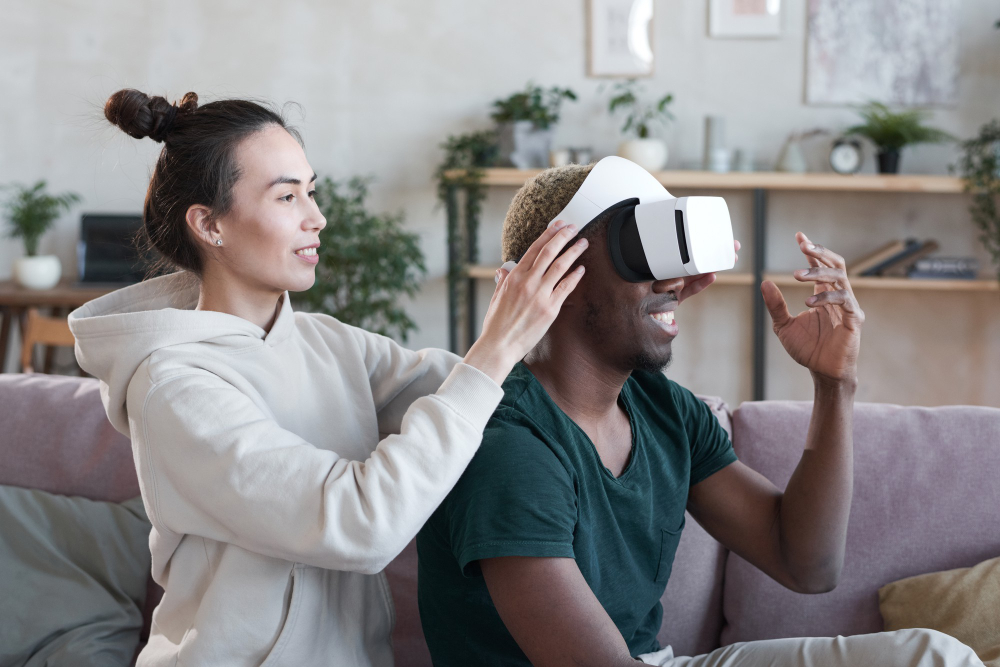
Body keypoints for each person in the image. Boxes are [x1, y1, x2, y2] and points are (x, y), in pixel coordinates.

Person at [69, 89, 591, 666]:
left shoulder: (329, 342)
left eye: (310, 191)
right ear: (209, 224)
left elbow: (480, 393)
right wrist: (496, 348)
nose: (317, 217)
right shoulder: (175, 390)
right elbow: (360, 523)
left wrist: (585, 315)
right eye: (287, 196)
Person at [417, 163, 983, 667]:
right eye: (642, 252)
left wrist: (834, 386)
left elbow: (805, 564)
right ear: (552, 273)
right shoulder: (508, 442)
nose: (680, 283)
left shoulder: (660, 407)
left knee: (937, 656)